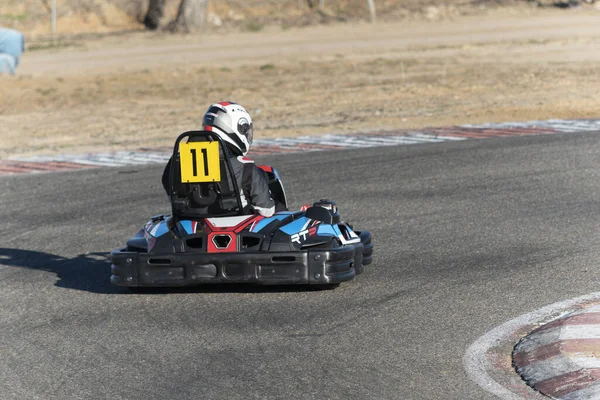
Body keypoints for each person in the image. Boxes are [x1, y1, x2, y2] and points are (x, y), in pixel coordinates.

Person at [162, 102, 277, 217]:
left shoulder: (176, 162)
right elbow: (267, 210)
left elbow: (170, 192)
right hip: (236, 224)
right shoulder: (246, 167)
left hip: (190, 222)